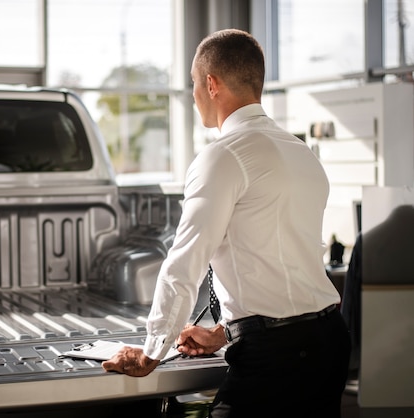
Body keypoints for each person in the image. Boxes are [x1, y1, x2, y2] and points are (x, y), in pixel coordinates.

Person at [102, 29, 350, 417]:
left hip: (276, 357)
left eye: (194, 85)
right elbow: (285, 264)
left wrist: (151, 353)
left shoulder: (223, 156)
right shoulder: (301, 153)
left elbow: (184, 264)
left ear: (211, 84)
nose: (195, 96)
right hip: (329, 343)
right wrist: (222, 334)